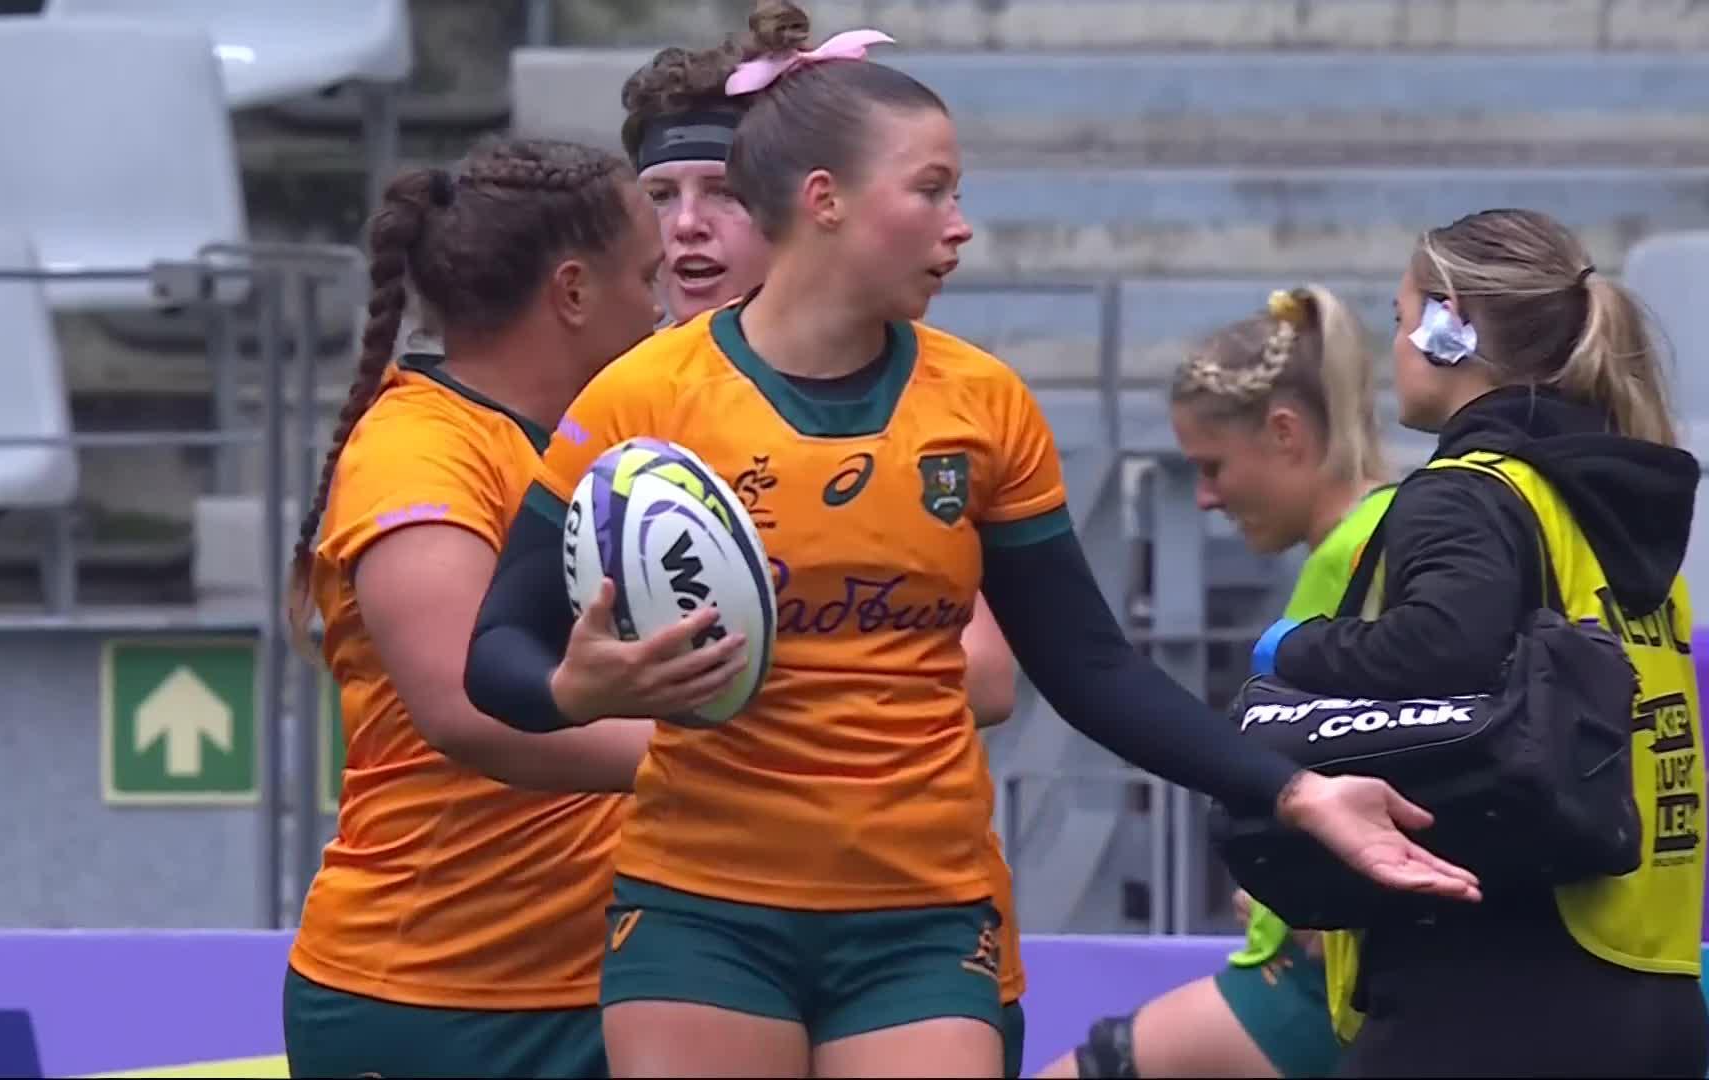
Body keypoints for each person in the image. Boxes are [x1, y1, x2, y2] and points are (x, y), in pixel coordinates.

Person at [464, 4, 1480, 1076]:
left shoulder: (982, 404)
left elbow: (1090, 670)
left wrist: (1295, 788)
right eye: (933, 189)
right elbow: (498, 654)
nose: (960, 226)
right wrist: (574, 692)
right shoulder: (646, 397)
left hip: (922, 917)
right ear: (826, 202)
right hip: (702, 911)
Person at [617, 32, 1033, 1078]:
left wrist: (770, 690)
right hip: (665, 918)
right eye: (660, 196)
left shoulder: (945, 398)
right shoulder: (618, 414)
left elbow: (988, 672)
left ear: (796, 204)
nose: (688, 229)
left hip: (902, 902)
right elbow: (499, 673)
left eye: (716, 191)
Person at [1257, 208, 1708, 1077]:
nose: (1394, 350)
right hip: (1652, 983)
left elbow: (1439, 649)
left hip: (1496, 987)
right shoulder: (1617, 500)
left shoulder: (1467, 493)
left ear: (1447, 322)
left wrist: (1290, 651)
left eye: (1400, 320)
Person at [279, 137, 666, 1079]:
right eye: (646, 277)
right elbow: (464, 705)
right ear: (573, 292)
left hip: (607, 984)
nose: (662, 306)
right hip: (433, 998)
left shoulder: (613, 438)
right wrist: (742, 759)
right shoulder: (420, 451)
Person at [1040, 285, 1397, 1079]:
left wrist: (1325, 905)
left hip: (1320, 987)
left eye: (1211, 467)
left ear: (1284, 433)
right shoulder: (1364, 547)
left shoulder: (1364, 556)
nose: (1203, 497)